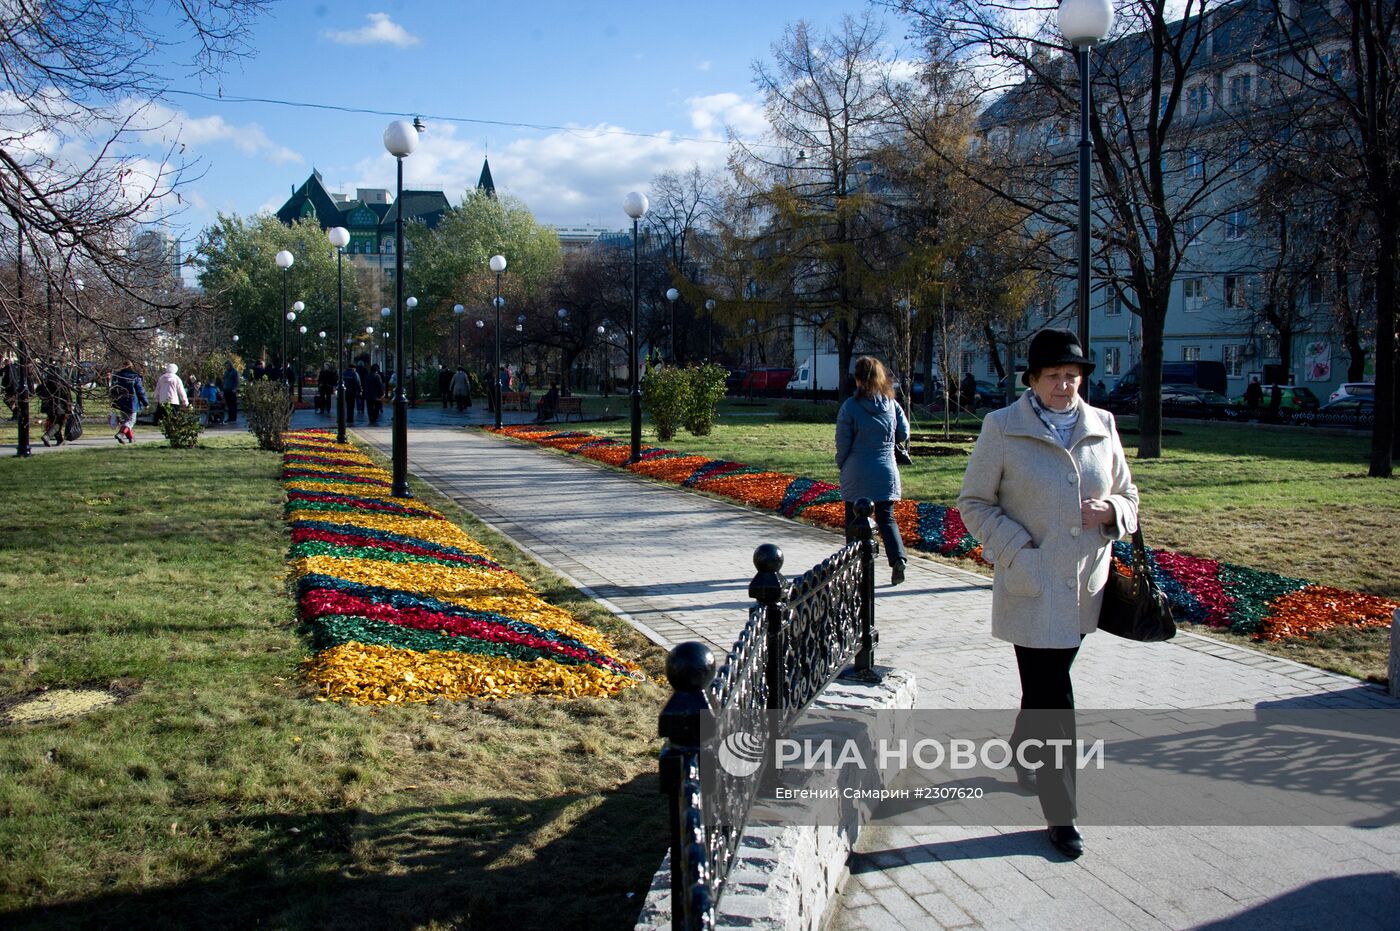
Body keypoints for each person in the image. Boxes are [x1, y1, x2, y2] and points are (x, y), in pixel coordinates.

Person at [957, 329, 1139, 860]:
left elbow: (1128, 493)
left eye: (1074, 376)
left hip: (1086, 586)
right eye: (1055, 376)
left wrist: (1112, 514)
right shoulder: (1002, 427)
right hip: (1031, 586)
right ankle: (1062, 814)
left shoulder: (1102, 425)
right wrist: (1019, 549)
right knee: (1056, 697)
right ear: (1032, 380)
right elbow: (974, 502)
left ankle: (1021, 746)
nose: (1066, 385)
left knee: (1043, 690)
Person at [835, 356, 911, 585]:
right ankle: (898, 559)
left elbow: (843, 442)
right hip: (885, 469)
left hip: (856, 471)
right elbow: (904, 433)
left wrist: (842, 463)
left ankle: (853, 567)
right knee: (886, 519)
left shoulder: (850, 407)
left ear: (858, 379)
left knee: (853, 520)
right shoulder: (891, 405)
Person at [110, 361, 147, 444]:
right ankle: (121, 434)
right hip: (131, 401)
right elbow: (140, 390)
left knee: (126, 420)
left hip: (119, 401)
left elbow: (112, 388)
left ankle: (130, 438)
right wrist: (145, 402)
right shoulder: (134, 376)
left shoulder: (116, 376)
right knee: (131, 420)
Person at [38, 360, 72, 446]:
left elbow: (38, 390)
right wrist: (69, 404)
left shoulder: (47, 380)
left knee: (54, 422)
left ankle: (60, 440)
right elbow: (67, 394)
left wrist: (44, 397)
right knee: (58, 422)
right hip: (59, 405)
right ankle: (47, 436)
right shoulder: (62, 380)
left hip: (48, 404)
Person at [341, 360, 361, 425]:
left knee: (347, 405)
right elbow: (357, 383)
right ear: (353, 368)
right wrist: (360, 390)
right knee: (351, 406)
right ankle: (350, 419)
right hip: (352, 392)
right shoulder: (354, 373)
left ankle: (347, 418)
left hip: (345, 392)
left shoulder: (344, 373)